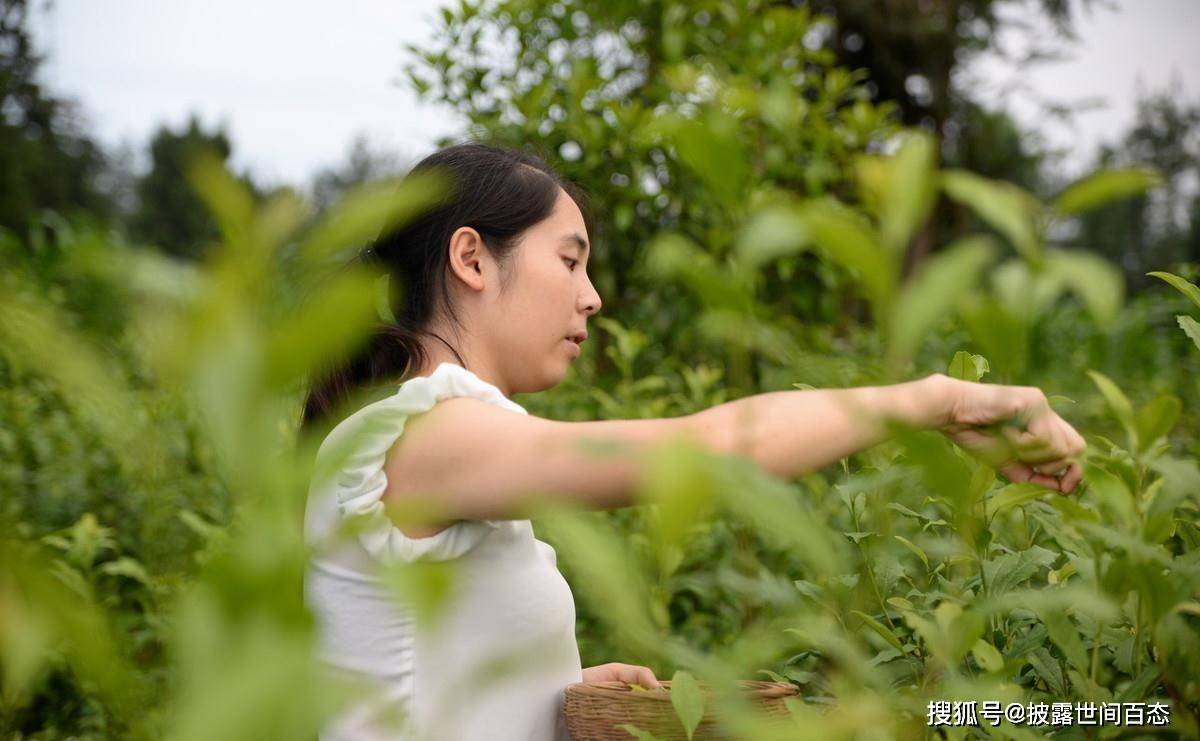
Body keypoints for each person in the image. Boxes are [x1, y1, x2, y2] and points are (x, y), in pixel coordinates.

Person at [300, 143, 1086, 741]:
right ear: (472, 257)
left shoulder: (433, 435)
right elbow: (708, 450)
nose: (592, 296)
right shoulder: (422, 433)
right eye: (569, 261)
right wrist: (943, 400)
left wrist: (554, 688)